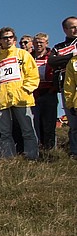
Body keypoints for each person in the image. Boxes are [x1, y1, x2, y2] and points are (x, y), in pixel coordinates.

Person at [0, 26, 40, 160]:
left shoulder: (23, 54)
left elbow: (32, 75)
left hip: (22, 98)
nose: (8, 40)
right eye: (5, 38)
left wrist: (26, 89)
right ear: (0, 41)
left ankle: (32, 157)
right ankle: (9, 158)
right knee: (5, 133)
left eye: (10, 37)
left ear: (14, 39)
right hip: (2, 101)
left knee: (27, 130)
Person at [48, 16, 77, 157]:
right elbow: (52, 61)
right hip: (67, 88)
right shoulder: (58, 47)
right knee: (73, 122)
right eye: (72, 27)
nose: (76, 29)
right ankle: (74, 152)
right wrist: (72, 55)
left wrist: (63, 61)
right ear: (65, 30)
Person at [32, 33, 58, 150]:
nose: (38, 44)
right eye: (36, 42)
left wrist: (54, 88)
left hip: (49, 92)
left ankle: (50, 150)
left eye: (41, 42)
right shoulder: (29, 57)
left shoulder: (52, 56)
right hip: (34, 93)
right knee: (35, 123)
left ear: (46, 43)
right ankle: (37, 148)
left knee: (49, 123)